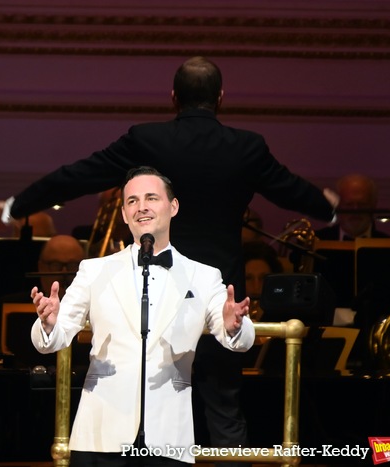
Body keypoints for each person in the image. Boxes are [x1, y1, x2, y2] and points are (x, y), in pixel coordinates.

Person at [0, 56, 336, 462]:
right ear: (221, 98)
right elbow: (289, 188)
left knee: (158, 403)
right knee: (224, 412)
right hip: (222, 296)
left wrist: (20, 204)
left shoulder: (148, 139)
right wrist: (325, 207)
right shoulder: (246, 147)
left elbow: (79, 175)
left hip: (196, 296)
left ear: (173, 97)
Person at [30, 167, 254, 465]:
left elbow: (238, 341)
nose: (142, 207)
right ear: (124, 214)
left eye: (151, 198)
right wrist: (48, 323)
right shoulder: (94, 270)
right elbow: (53, 341)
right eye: (132, 201)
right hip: (100, 434)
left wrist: (234, 325)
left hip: (168, 438)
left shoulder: (203, 276)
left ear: (173, 207)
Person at [0, 234, 85, 363]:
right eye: (55, 265)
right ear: (41, 267)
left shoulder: (96, 306)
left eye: (72, 265)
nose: (64, 273)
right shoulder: (11, 306)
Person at [315, 173, 390, 240]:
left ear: (373, 205)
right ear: (338, 205)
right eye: (349, 204)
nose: (355, 209)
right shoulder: (317, 241)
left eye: (362, 204)